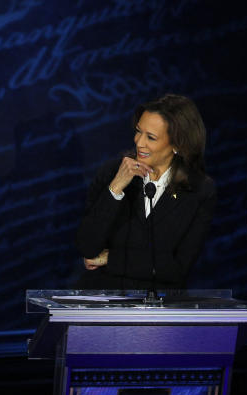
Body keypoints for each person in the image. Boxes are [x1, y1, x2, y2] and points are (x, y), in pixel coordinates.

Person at [76, 93, 215, 291]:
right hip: (104, 302)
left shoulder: (200, 190)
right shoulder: (111, 173)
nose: (139, 142)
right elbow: (87, 248)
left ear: (177, 144)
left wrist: (112, 258)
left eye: (151, 137)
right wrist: (115, 188)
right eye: (138, 131)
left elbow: (177, 268)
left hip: (160, 310)